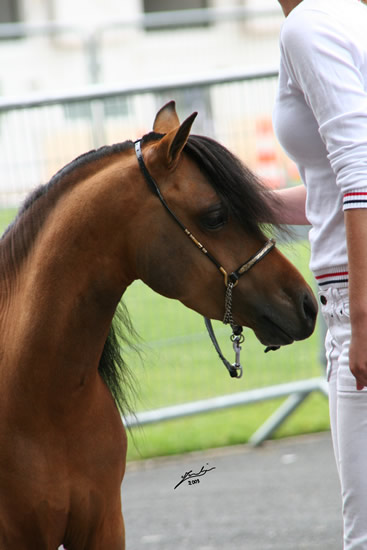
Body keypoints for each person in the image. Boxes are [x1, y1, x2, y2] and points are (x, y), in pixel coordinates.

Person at [272, 0, 367, 548]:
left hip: (355, 297)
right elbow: (335, 189)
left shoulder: (307, 25)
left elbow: (359, 173)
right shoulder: (348, 14)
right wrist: (244, 200)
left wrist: (360, 314)